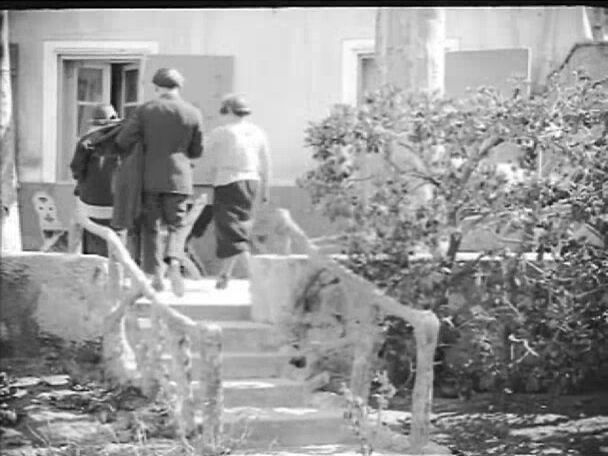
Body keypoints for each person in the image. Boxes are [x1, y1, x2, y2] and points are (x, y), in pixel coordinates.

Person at [115, 68, 204, 296]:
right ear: (179, 87)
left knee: (150, 227)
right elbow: (196, 151)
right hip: (180, 177)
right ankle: (174, 261)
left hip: (149, 177)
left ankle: (155, 276)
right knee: (177, 225)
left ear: (156, 87)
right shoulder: (193, 113)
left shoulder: (146, 110)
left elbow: (123, 140)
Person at [205, 94, 271, 289]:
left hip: (229, 181)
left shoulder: (222, 132)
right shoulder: (257, 132)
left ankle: (255, 276)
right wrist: (266, 188)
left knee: (230, 230)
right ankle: (225, 274)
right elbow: (266, 162)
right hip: (252, 181)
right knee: (239, 227)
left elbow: (201, 149)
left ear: (228, 111)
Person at [70, 104, 123, 257]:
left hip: (90, 204)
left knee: (80, 223)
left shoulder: (86, 141)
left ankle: (78, 259)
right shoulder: (125, 142)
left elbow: (76, 170)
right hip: (117, 205)